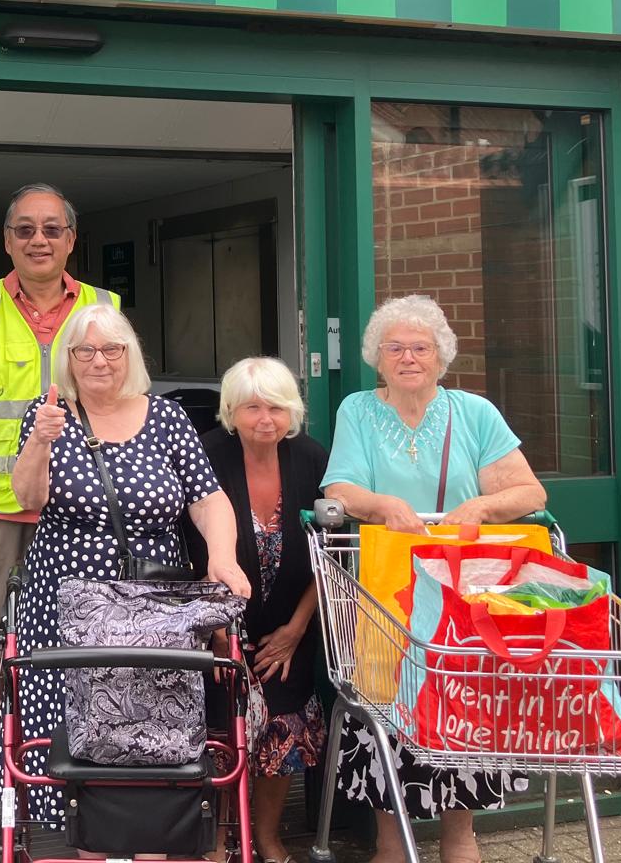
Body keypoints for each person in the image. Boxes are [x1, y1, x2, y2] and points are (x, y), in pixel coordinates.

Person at [0, 302, 252, 843]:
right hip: (68, 595)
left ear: (128, 354)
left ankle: (150, 825)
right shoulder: (48, 415)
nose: (98, 361)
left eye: (111, 349)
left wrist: (221, 556)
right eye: (84, 350)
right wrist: (40, 440)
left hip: (151, 601)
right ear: (69, 358)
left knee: (154, 710)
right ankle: (75, 826)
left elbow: (208, 500)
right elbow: (28, 498)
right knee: (63, 706)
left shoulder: (166, 418)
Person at [0, 183, 122, 860]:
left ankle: (82, 793)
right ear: (7, 240)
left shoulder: (104, 309)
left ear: (72, 238)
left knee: (84, 658)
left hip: (78, 512)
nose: (38, 240)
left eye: (51, 229)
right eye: (24, 230)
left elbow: (125, 406)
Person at [320, 295, 547, 863]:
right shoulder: (358, 410)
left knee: (461, 697)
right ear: (378, 357)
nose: (408, 357)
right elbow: (339, 492)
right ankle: (391, 843)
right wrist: (381, 503)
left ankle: (459, 837)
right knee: (385, 702)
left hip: (462, 592)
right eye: (395, 347)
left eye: (420, 347)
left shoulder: (474, 412)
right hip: (385, 590)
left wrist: (483, 508)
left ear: (440, 356)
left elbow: (529, 493)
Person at [182, 356, 328, 863]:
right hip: (218, 624)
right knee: (222, 728)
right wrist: (219, 633)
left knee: (285, 727)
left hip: (291, 624)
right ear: (231, 411)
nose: (266, 419)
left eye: (277, 407)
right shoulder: (208, 454)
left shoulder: (311, 458)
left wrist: (296, 628)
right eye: (252, 408)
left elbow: (327, 559)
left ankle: (266, 835)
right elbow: (190, 551)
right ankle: (221, 837)